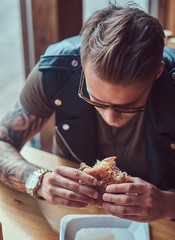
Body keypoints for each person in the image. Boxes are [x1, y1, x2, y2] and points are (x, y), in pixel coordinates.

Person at [0, 3, 175, 223]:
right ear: (83, 64)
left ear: (157, 72)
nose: (111, 118)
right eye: (97, 100)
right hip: (70, 214)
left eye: (128, 105)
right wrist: (38, 180)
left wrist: (169, 204)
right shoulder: (56, 70)